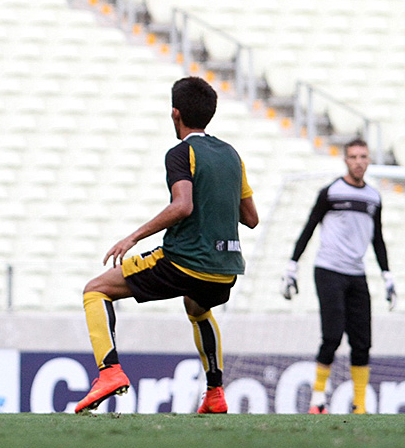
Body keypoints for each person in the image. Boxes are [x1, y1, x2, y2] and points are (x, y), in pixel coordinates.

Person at [74, 76, 259, 414]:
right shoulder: (232, 156)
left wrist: (132, 237)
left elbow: (182, 205)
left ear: (176, 113)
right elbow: (251, 218)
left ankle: (109, 372)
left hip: (184, 263)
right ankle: (215, 393)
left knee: (95, 290)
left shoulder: (181, 153)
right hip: (225, 271)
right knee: (197, 308)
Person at [281, 138, 395, 414]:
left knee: (362, 342)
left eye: (363, 156)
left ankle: (360, 406)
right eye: (353, 157)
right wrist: (292, 265)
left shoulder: (374, 197)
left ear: (369, 160)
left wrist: (387, 275)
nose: (358, 162)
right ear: (345, 160)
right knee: (332, 336)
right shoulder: (331, 192)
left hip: (357, 274)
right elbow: (309, 227)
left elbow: (377, 238)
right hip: (329, 270)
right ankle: (318, 400)